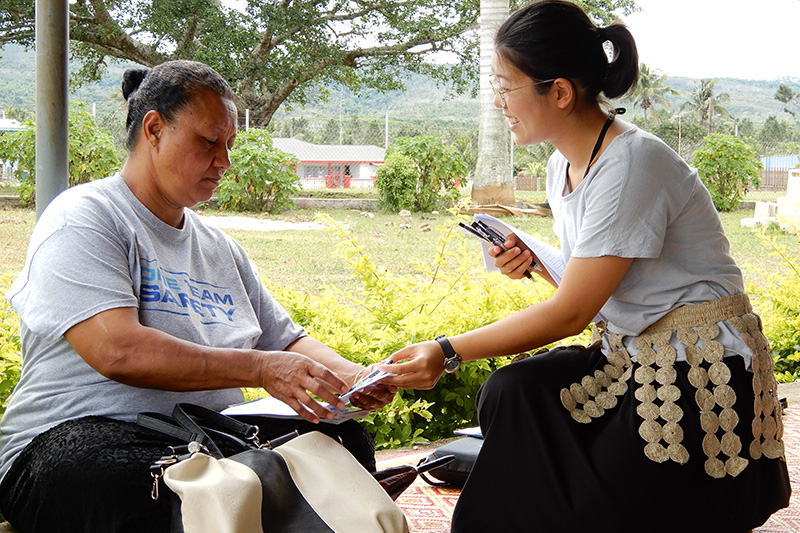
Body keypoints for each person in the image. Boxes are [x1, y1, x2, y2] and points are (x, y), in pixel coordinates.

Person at [380, 1, 791, 531]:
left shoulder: (631, 163)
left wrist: (446, 351)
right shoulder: (562, 166)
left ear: (560, 92)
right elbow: (595, 282)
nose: (500, 101)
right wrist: (540, 264)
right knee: (514, 392)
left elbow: (572, 313)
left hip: (695, 369)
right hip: (632, 353)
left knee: (590, 506)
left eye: (507, 87)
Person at [0, 59, 396, 532]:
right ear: (154, 129)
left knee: (346, 440)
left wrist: (359, 377)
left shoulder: (218, 247)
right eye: (209, 142)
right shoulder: (85, 217)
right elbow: (116, 350)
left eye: (229, 145)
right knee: (115, 481)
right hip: (76, 438)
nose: (224, 162)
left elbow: (285, 342)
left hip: (202, 437)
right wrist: (260, 369)